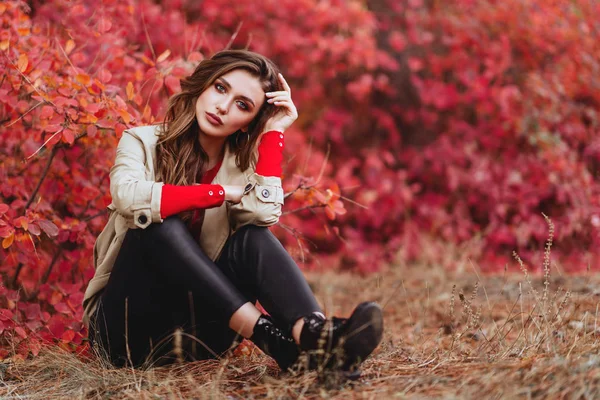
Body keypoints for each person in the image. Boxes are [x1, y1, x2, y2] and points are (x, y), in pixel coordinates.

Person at [82, 49, 383, 377]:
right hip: (124, 333)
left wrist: (273, 133)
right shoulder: (141, 142)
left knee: (252, 236)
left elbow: (264, 214)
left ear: (248, 123)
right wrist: (217, 193)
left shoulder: (242, 167)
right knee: (158, 228)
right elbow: (128, 197)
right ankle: (278, 345)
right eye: (221, 88)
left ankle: (316, 337)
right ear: (204, 85)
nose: (223, 107)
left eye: (243, 105)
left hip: (201, 334)